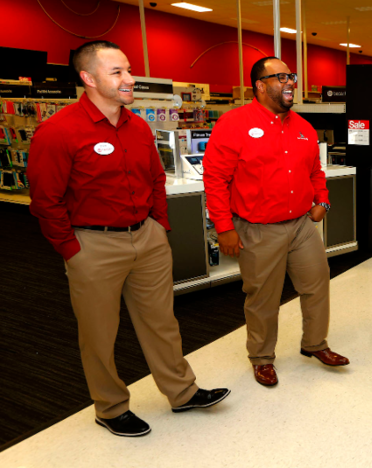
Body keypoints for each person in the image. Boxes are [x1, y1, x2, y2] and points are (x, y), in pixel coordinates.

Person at [28, 41, 229, 438]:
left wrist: (159, 226)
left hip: (147, 239)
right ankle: (110, 407)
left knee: (162, 323)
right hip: (93, 245)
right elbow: (45, 201)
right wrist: (72, 249)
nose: (129, 79)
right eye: (117, 72)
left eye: (129, 70)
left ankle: (182, 392)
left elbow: (155, 178)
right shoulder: (58, 131)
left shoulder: (137, 126)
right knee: (99, 333)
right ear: (88, 78)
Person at [203, 57, 349, 387]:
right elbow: (215, 179)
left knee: (317, 284)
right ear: (260, 85)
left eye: (292, 76)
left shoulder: (303, 127)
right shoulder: (233, 123)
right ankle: (262, 357)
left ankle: (314, 344)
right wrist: (224, 228)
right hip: (257, 228)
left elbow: (315, 171)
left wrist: (322, 199)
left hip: (300, 225)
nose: (290, 82)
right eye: (281, 77)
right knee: (263, 297)